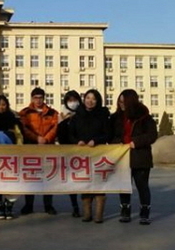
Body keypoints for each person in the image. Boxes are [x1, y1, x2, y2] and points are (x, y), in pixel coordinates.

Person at [109, 89, 157, 225]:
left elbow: (152, 135)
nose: (121, 104)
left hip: (140, 156)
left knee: (142, 186)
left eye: (124, 102)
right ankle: (125, 210)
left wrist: (135, 142)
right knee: (124, 185)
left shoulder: (145, 117)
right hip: (122, 156)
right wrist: (116, 142)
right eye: (120, 101)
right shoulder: (115, 117)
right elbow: (110, 134)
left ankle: (145, 211)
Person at [68, 89, 110, 223]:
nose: (90, 101)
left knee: (98, 183)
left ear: (97, 101)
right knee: (85, 182)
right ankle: (87, 213)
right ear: (84, 99)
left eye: (93, 99)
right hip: (82, 156)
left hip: (98, 153)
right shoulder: (77, 115)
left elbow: (107, 133)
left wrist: (96, 141)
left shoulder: (103, 115)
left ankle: (99, 214)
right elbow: (70, 134)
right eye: (88, 98)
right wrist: (77, 141)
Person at [19, 87, 59, 215]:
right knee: (30, 177)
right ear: (32, 98)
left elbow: (55, 127)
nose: (38, 100)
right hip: (31, 148)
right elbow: (23, 128)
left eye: (40, 98)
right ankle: (28, 204)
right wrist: (36, 138)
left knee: (48, 177)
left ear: (44, 98)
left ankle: (48, 205)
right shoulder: (25, 113)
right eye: (35, 98)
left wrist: (46, 139)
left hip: (48, 148)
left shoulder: (52, 113)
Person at [0, 95, 22, 220]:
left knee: (11, 181)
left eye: (3, 104)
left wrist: (17, 148)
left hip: (11, 155)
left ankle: (9, 206)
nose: (1, 107)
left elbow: (19, 135)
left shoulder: (12, 119)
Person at [56, 90, 82, 218]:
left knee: (84, 180)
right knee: (73, 181)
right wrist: (63, 121)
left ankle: (86, 204)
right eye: (70, 100)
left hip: (83, 151)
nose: (73, 103)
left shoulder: (82, 113)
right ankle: (75, 206)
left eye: (75, 100)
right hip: (69, 152)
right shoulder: (61, 115)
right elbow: (60, 136)